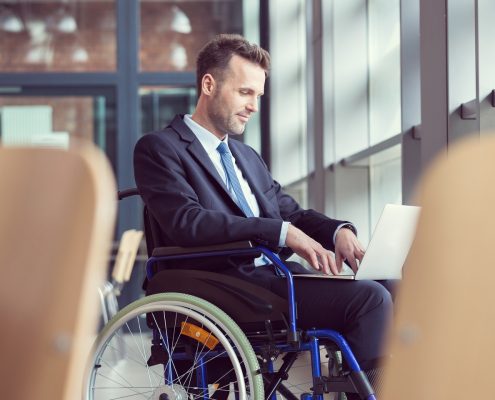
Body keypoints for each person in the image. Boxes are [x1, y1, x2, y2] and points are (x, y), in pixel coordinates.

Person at [134, 33, 393, 397]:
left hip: (271, 278)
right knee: (370, 299)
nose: (254, 105)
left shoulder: (247, 158)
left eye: (258, 95)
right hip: (223, 284)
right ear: (209, 84)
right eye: (245, 93)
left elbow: (291, 213)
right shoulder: (160, 148)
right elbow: (187, 222)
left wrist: (338, 233)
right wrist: (280, 233)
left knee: (392, 287)